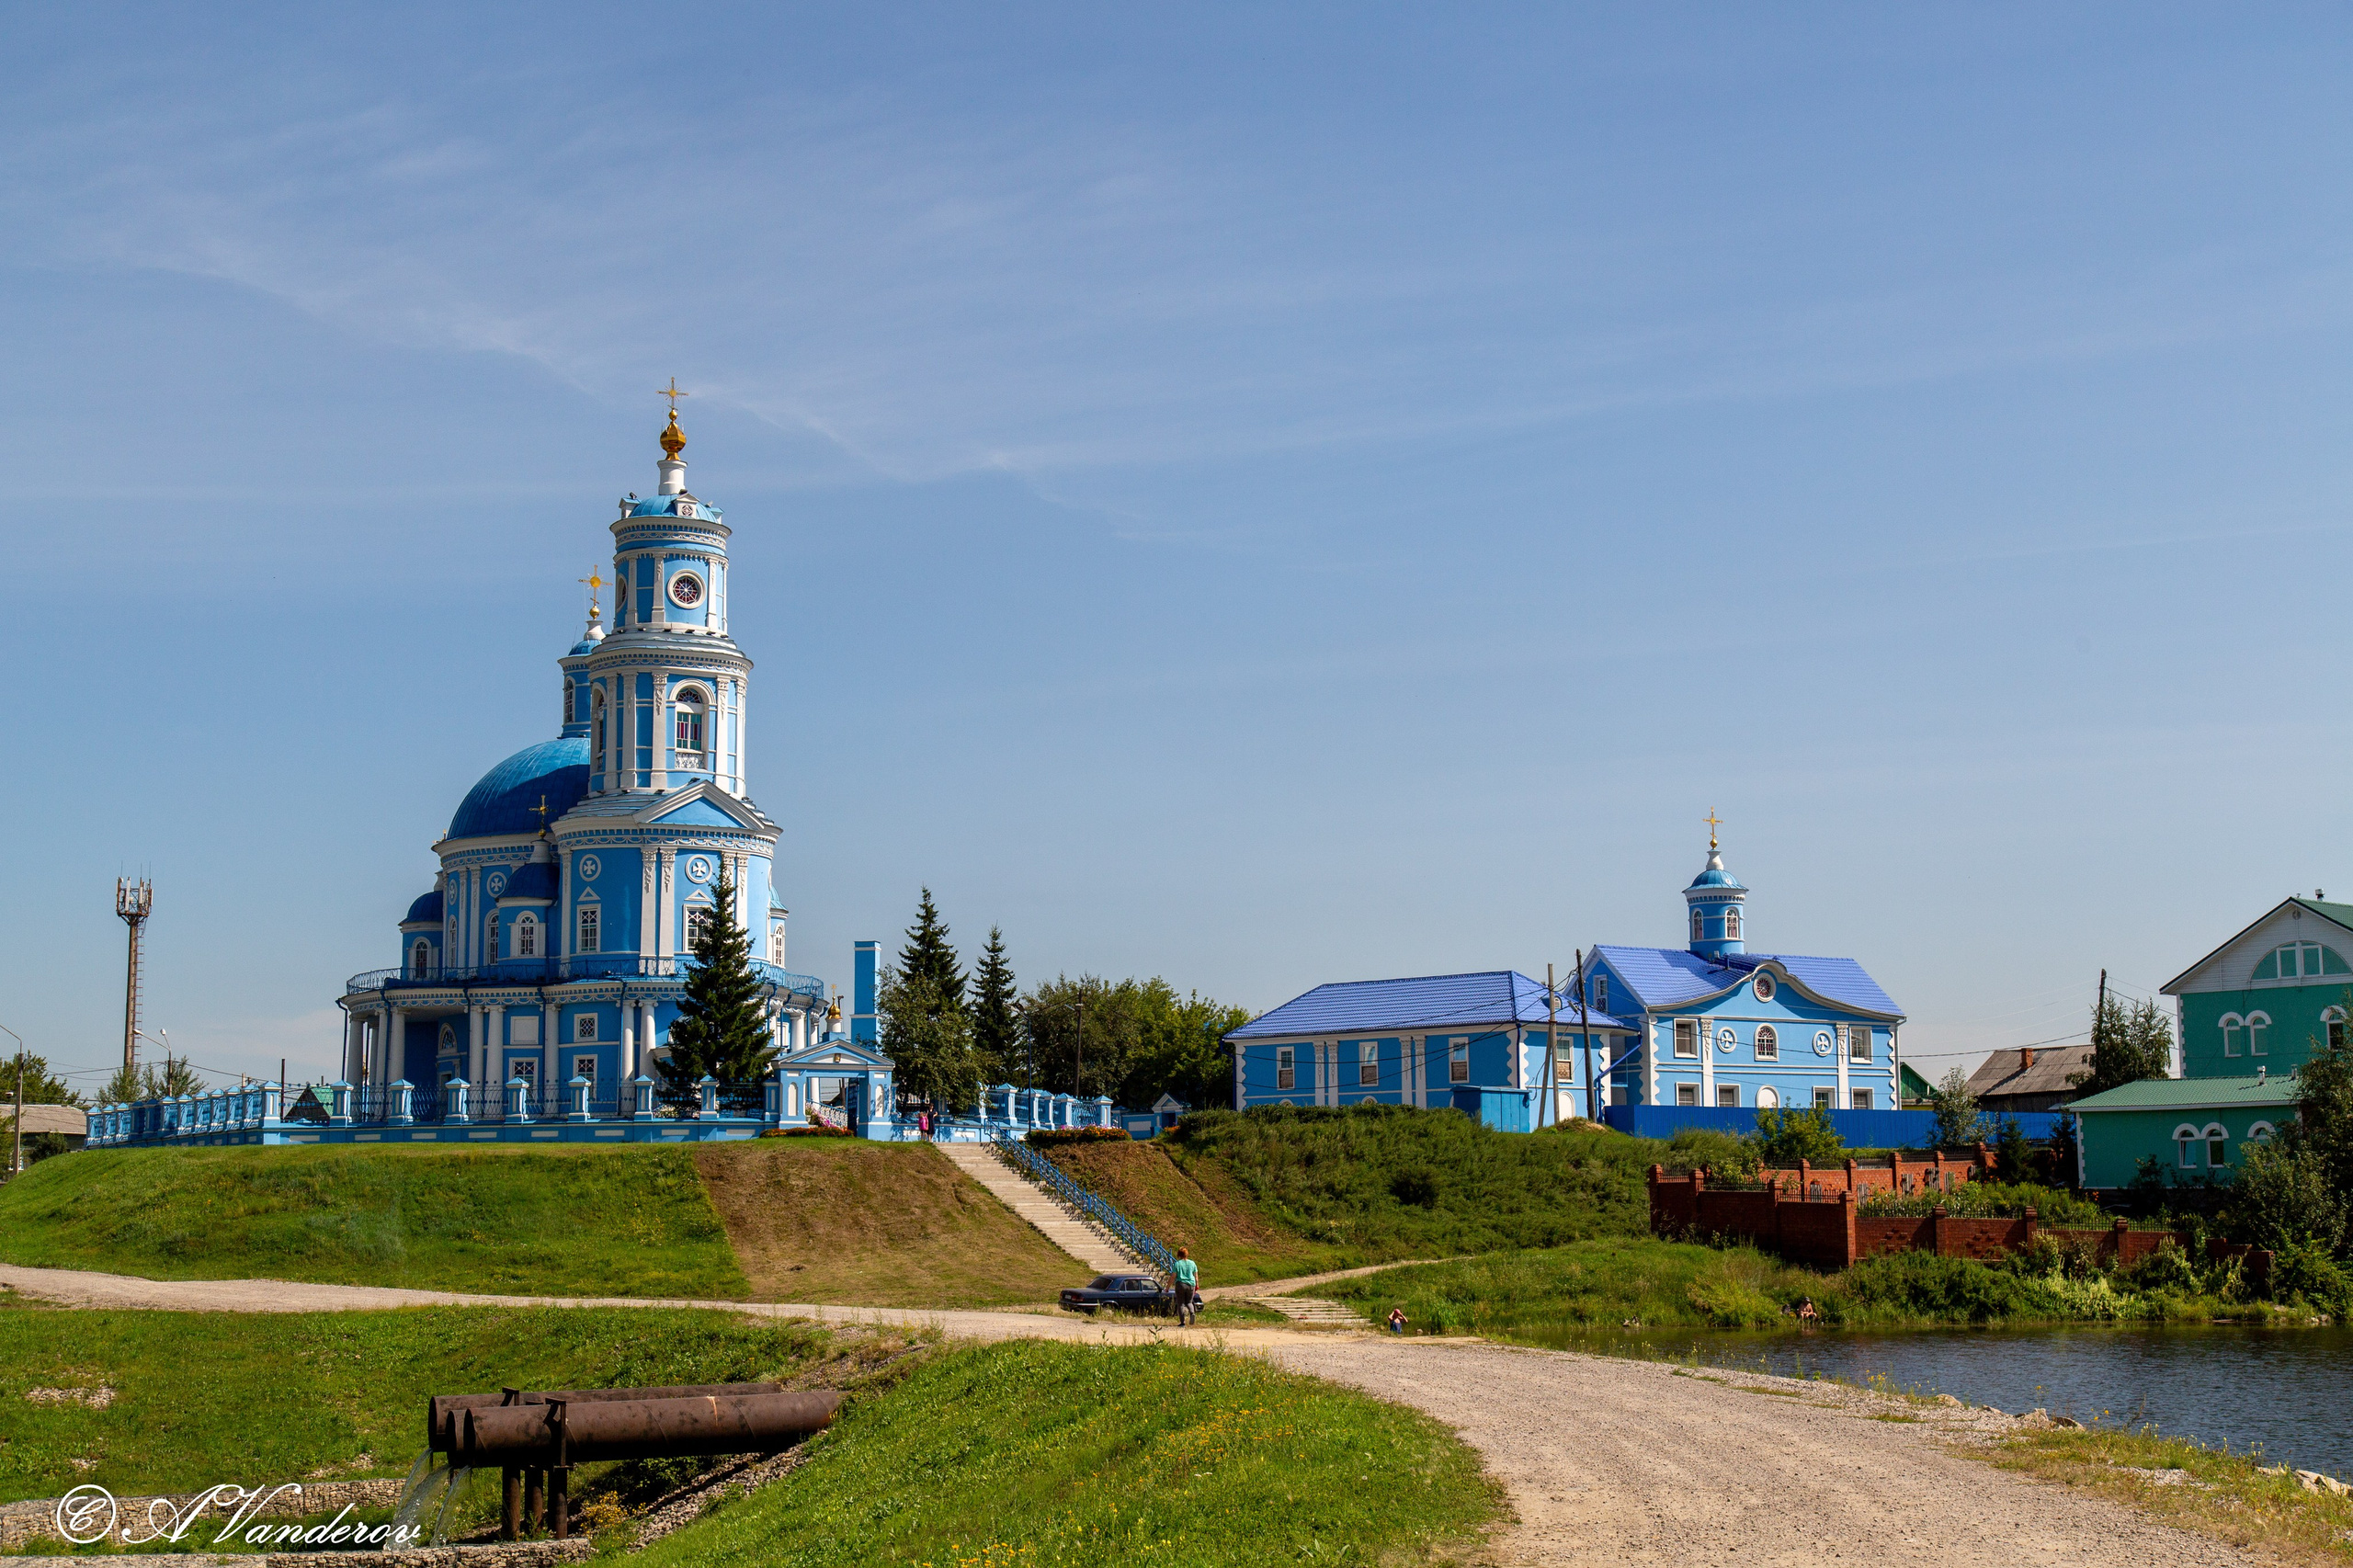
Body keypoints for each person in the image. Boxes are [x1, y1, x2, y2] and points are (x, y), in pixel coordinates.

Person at [1171, 1247, 1199, 1325]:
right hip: (1191, 1284)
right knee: (1189, 1302)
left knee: (1181, 1303)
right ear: (1187, 1254)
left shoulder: (1177, 1264)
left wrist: (1167, 1287)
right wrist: (1197, 1285)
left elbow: (1173, 1276)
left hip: (1181, 1284)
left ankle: (1182, 1322)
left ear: (1179, 1254)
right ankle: (1192, 1313)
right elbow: (1196, 1276)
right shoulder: (1192, 1263)